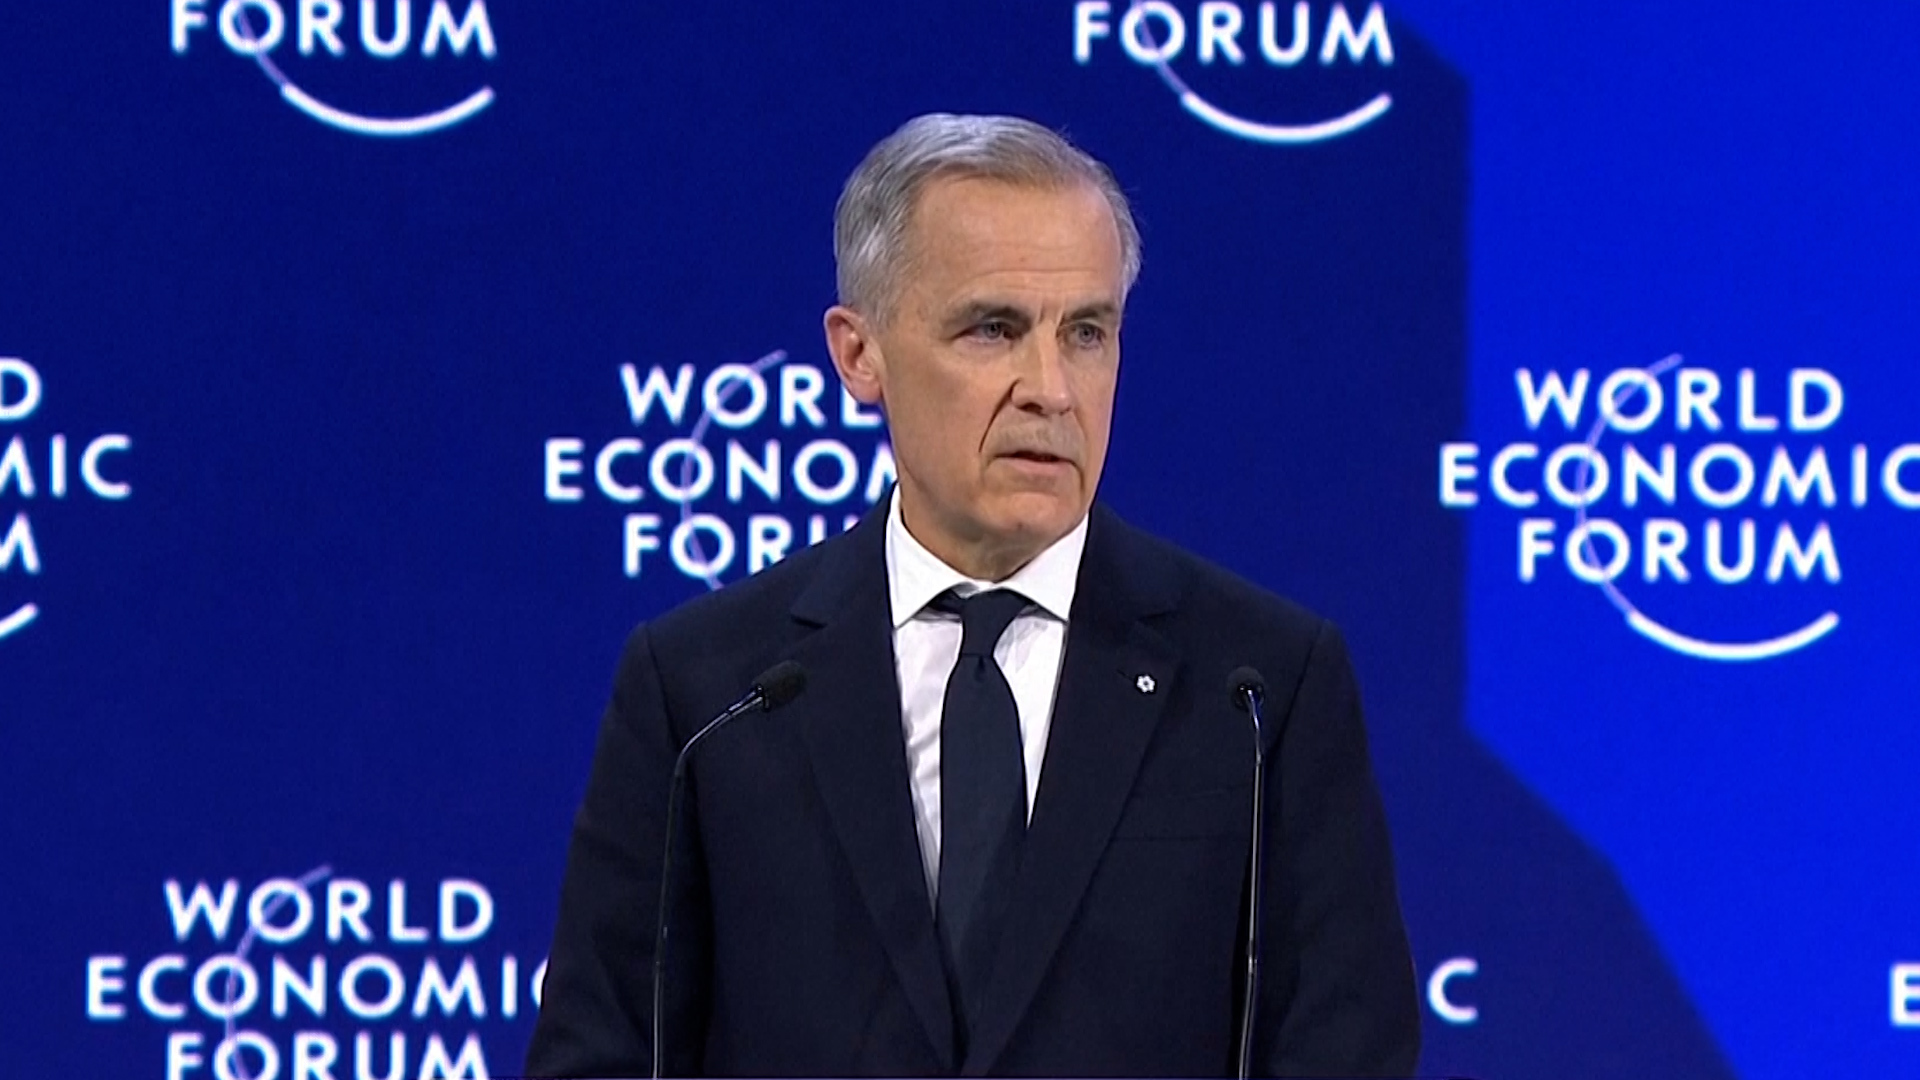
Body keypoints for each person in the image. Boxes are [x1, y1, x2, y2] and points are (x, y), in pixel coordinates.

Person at [526, 113, 1419, 1077]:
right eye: (993, 329)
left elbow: (1346, 1054)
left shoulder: (1259, 688)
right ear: (859, 354)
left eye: (1087, 333)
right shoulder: (708, 694)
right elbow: (600, 1053)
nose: (1052, 389)